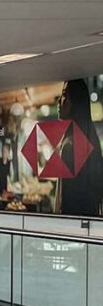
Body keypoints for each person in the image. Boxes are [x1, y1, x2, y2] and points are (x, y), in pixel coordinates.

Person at [57, 80, 103, 216]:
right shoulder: (89, 139)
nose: (59, 101)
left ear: (76, 102)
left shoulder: (70, 145)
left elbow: (67, 202)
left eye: (64, 95)